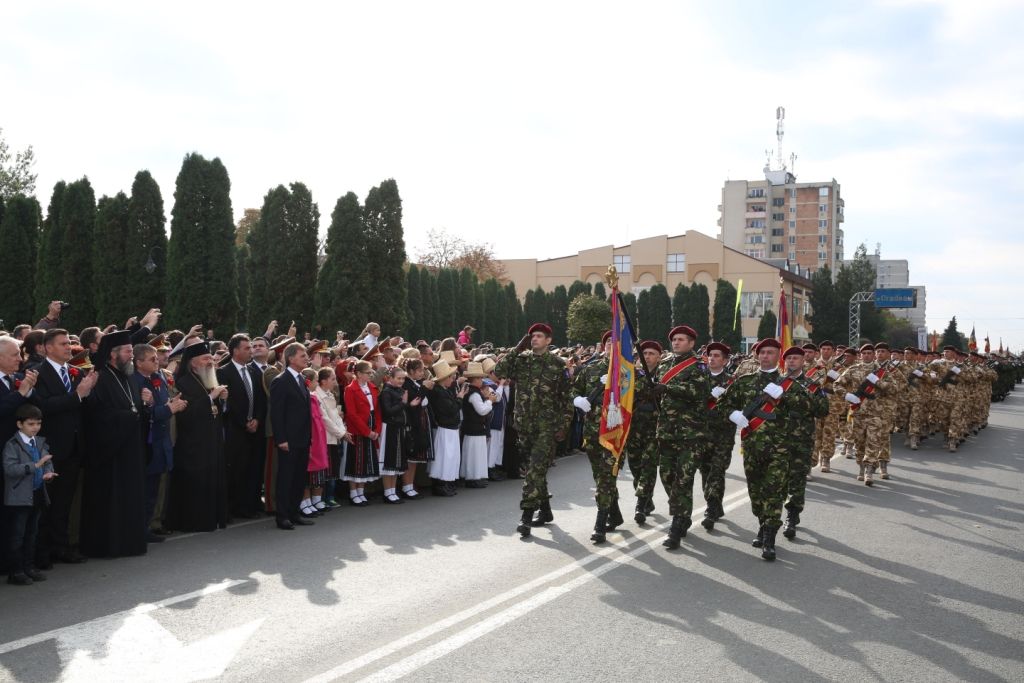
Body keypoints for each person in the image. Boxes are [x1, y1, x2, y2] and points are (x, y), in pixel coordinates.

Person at [718, 338, 811, 561]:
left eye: (770, 353)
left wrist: (785, 396)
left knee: (775, 491)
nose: (765, 356)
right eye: (762, 353)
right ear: (757, 356)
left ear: (778, 356)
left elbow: (809, 407)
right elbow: (723, 404)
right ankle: (761, 523)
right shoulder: (744, 382)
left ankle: (769, 536)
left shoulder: (789, 384)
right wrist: (734, 415)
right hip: (752, 446)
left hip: (780, 448)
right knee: (756, 491)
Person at [493, 323, 572, 538]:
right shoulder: (521, 359)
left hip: (547, 425)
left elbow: (566, 399)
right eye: (532, 336)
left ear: (548, 340)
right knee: (533, 470)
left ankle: (526, 516)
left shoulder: (558, 364)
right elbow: (498, 371)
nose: (534, 339)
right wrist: (517, 348)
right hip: (524, 425)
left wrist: (563, 426)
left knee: (535, 469)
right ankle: (545, 511)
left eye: (539, 336)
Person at [81, 330, 149, 558]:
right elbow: (96, 417)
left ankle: (130, 542)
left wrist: (144, 406)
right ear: (113, 354)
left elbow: (134, 408)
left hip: (130, 449)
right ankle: (107, 545)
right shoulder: (99, 377)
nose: (132, 355)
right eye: (128, 351)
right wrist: (129, 416)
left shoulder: (128, 376)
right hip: (109, 453)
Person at [33, 328, 98, 567]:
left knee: (64, 502)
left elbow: (81, 406)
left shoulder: (73, 371)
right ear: (48, 347)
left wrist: (88, 390)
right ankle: (42, 551)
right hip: (51, 447)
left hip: (73, 446)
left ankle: (61, 547)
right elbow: (43, 406)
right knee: (46, 503)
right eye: (62, 344)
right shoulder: (37, 373)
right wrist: (78, 395)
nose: (68, 347)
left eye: (68, 344)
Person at [651, 325, 709, 549]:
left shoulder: (699, 366)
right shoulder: (664, 364)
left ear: (692, 343)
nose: (676, 342)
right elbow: (657, 391)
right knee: (667, 475)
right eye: (674, 339)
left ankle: (676, 524)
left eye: (681, 339)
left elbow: (699, 393)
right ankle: (683, 513)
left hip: (690, 433)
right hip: (666, 430)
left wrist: (668, 389)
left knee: (683, 479)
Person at [167, 342, 229, 532]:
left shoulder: (210, 379)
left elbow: (216, 412)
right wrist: (211, 398)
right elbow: (186, 414)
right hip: (193, 445)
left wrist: (223, 400)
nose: (210, 362)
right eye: (205, 359)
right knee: (196, 483)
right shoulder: (183, 382)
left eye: (211, 358)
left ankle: (213, 518)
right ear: (193, 363)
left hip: (212, 441)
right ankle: (195, 521)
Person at [131, 343, 187, 543]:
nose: (157, 361)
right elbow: (147, 414)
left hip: (160, 442)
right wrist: (170, 409)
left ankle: (146, 526)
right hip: (147, 443)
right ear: (138, 362)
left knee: (153, 489)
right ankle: (139, 529)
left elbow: (162, 405)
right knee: (144, 490)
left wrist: (171, 406)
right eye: (152, 359)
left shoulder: (157, 379)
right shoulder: (135, 382)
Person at [572, 331, 622, 543]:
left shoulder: (629, 371)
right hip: (592, 431)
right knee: (600, 476)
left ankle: (600, 524)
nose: (611, 344)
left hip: (616, 432)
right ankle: (616, 514)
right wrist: (577, 399)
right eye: (608, 341)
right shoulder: (590, 367)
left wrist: (621, 382)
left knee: (605, 477)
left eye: (616, 341)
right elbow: (572, 388)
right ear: (603, 346)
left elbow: (638, 395)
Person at [779, 346, 829, 539]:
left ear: (803, 362)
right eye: (788, 358)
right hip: (776, 440)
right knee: (776, 481)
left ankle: (792, 516)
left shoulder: (812, 386)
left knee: (797, 480)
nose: (791, 361)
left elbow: (823, 410)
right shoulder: (776, 382)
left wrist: (802, 400)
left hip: (801, 440)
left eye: (795, 358)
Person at [4, 404, 56, 585]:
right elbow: (10, 469)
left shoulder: (40, 442)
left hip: (37, 494)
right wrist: (35, 466)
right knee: (17, 535)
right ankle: (16, 571)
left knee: (32, 533)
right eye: (31, 424)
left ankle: (29, 567)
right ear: (20, 424)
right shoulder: (12, 445)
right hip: (19, 497)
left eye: (38, 424)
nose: (35, 428)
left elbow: (47, 462)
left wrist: (48, 473)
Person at [218, 334, 267, 519]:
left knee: (253, 468)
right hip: (235, 430)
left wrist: (257, 420)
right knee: (236, 469)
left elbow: (261, 400)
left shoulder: (255, 372)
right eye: (247, 348)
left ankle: (251, 504)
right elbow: (228, 402)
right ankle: (234, 507)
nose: (251, 351)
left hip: (255, 428)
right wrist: (244, 422)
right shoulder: (223, 372)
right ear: (235, 351)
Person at [270, 343, 315, 529]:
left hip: (303, 438)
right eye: (302, 355)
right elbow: (277, 413)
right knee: (286, 478)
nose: (306, 358)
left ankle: (294, 512)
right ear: (290, 358)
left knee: (299, 478)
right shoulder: (280, 381)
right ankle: (282, 516)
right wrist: (281, 439)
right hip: (288, 440)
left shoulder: (302, 379)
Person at [626, 340, 662, 526]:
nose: (647, 356)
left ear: (659, 356)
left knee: (648, 466)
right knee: (635, 466)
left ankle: (640, 504)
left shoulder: (665, 374)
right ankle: (647, 498)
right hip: (634, 427)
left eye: (651, 353)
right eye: (644, 353)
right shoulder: (632, 374)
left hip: (654, 428)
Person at [699, 341, 734, 532]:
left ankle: (711, 509)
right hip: (702, 433)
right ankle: (715, 503)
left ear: (725, 360)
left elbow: (738, 406)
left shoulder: (732, 381)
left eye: (717, 356)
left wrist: (724, 400)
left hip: (723, 434)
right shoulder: (699, 378)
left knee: (717, 471)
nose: (712, 358)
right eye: (710, 355)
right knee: (705, 470)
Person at [425, 359, 465, 496]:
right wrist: (459, 398)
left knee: (451, 457)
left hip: (451, 427)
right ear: (444, 378)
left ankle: (447, 482)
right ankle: (440, 484)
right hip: (445, 427)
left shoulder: (445, 390)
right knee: (444, 457)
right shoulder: (439, 392)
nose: (452, 379)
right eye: (450, 377)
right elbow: (451, 409)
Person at [313, 367, 350, 508]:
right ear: (323, 381)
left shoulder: (330, 394)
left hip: (334, 436)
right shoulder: (317, 396)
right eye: (332, 379)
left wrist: (343, 431)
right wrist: (341, 433)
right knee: (323, 469)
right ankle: (320, 499)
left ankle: (329, 497)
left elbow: (336, 416)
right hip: (325, 437)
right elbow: (325, 419)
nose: (335, 382)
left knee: (332, 468)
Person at [378, 366, 411, 503]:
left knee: (397, 460)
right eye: (398, 378)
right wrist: (403, 402)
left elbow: (401, 410)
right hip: (390, 428)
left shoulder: (399, 390)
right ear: (390, 378)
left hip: (398, 428)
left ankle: (392, 491)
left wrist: (408, 404)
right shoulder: (386, 392)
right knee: (389, 460)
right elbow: (388, 411)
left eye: (403, 378)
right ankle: (387, 492)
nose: (401, 381)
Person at [399, 357, 430, 499]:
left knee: (415, 457)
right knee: (410, 457)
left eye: (422, 370)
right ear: (410, 371)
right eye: (419, 370)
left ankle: (410, 485)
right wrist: (424, 388)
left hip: (419, 421)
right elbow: (415, 401)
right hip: (411, 423)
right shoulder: (406, 384)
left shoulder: (416, 383)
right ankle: (406, 486)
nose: (422, 372)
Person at [299, 368, 329, 516]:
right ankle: (304, 501)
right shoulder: (305, 398)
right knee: (305, 473)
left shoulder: (313, 397)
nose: (317, 383)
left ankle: (313, 500)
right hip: (310, 439)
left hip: (318, 438)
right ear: (308, 382)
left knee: (316, 472)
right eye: (316, 380)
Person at [460, 362, 495, 489]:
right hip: (474, 427)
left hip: (473, 427)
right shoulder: (474, 394)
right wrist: (489, 402)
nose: (482, 380)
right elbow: (482, 410)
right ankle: (472, 477)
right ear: (475, 379)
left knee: (475, 453)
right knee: (474, 454)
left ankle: (475, 476)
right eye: (480, 378)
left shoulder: (472, 391)